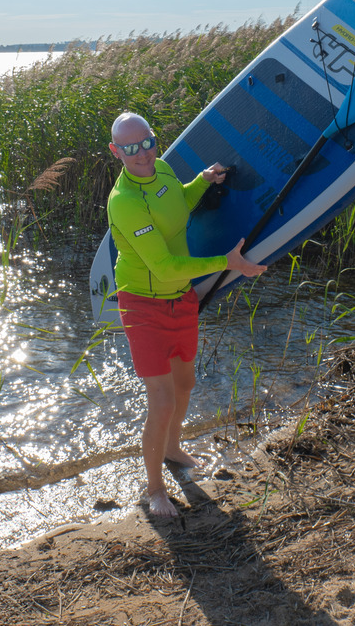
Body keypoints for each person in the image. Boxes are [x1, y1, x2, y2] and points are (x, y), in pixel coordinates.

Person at [105, 111, 267, 519]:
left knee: (185, 383)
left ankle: (173, 449)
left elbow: (177, 202)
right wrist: (226, 262)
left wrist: (201, 182)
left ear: (154, 139)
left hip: (181, 297)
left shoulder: (161, 169)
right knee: (161, 402)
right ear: (116, 151)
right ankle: (155, 489)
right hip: (143, 303)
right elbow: (162, 267)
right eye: (130, 148)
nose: (142, 154)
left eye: (147, 142)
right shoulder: (124, 202)